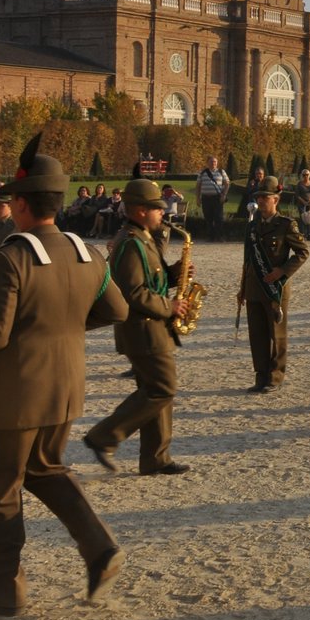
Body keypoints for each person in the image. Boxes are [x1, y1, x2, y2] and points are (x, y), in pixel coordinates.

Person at [0, 135, 130, 616]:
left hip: (11, 398)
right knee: (45, 470)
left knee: (0, 489)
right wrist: (68, 326)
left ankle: (5, 588)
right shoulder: (87, 253)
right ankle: (99, 548)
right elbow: (117, 309)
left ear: (22, 205)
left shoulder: (10, 258)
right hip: (65, 391)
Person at [84, 178, 193, 476]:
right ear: (140, 210)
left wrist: (175, 274)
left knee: (154, 390)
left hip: (151, 327)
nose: (162, 213)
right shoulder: (131, 242)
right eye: (157, 208)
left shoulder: (142, 237)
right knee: (163, 388)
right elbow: (132, 292)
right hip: (142, 328)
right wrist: (168, 307)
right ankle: (103, 436)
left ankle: (155, 459)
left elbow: (150, 281)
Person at [237, 177, 309, 393]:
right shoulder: (251, 227)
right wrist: (242, 288)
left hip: (275, 289)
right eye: (258, 197)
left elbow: (302, 252)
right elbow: (247, 261)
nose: (260, 201)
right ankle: (260, 375)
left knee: (276, 334)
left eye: (265, 197)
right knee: (257, 335)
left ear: (275, 199)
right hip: (253, 287)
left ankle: (275, 377)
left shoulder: (286, 225)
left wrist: (282, 271)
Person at [195, 156, 229, 242]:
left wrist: (224, 195)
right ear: (207, 163)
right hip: (206, 198)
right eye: (211, 162)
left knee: (219, 218)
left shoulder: (221, 172)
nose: (213, 163)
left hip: (217, 198)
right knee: (208, 218)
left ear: (217, 163)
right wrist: (198, 198)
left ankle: (220, 236)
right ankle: (210, 237)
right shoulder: (202, 173)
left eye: (215, 162)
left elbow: (227, 184)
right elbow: (198, 186)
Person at [293, 169, 310, 242]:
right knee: (302, 219)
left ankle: (309, 234)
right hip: (301, 203)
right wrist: (303, 201)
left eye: (307, 175)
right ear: (302, 175)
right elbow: (297, 195)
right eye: (304, 175)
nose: (305, 176)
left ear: (309, 175)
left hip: (309, 203)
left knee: (309, 219)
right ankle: (302, 234)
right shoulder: (299, 184)